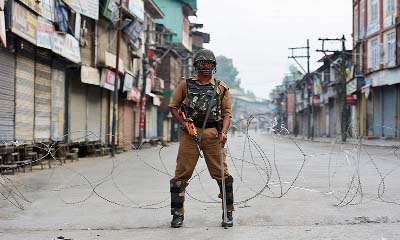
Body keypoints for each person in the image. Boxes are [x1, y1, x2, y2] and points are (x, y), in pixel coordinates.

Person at [168, 49, 234, 228]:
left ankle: (228, 213)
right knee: (181, 174)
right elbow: (174, 106)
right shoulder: (186, 85)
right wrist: (183, 123)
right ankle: (177, 214)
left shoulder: (221, 88)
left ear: (214, 67)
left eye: (209, 64)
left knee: (222, 174)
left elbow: (227, 114)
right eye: (201, 63)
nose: (205, 67)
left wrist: (224, 132)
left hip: (214, 134)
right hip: (191, 133)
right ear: (196, 65)